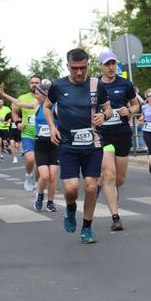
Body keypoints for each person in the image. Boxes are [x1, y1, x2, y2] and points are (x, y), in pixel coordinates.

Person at [44, 48, 113, 244]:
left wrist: (103, 115)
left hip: (93, 144)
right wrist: (52, 127)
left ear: (88, 65)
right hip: (67, 144)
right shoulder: (58, 86)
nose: (80, 73)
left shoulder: (96, 85)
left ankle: (87, 228)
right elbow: (47, 107)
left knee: (91, 187)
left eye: (83, 68)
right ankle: (71, 208)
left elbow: (108, 109)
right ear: (68, 66)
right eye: (75, 69)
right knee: (71, 189)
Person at [97, 51, 141, 232]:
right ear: (100, 66)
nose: (111, 67)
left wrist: (129, 111)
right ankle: (115, 217)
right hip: (103, 135)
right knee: (109, 175)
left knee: (119, 179)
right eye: (107, 64)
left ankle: (110, 189)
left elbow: (136, 104)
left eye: (113, 63)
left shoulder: (125, 83)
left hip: (122, 134)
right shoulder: (95, 85)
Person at [0, 81, 58, 212]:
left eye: (38, 93)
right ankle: (40, 195)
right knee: (44, 176)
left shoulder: (56, 107)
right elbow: (18, 103)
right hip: (41, 145)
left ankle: (50, 202)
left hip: (54, 145)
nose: (35, 95)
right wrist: (4, 95)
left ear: (44, 94)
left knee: (53, 176)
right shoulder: (36, 106)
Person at [13, 75, 42, 192]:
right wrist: (17, 122)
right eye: (32, 83)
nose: (34, 84)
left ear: (41, 84)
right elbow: (14, 111)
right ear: (29, 84)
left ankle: (37, 183)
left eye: (37, 82)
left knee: (40, 164)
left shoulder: (45, 98)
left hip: (42, 135)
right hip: (27, 134)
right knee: (30, 159)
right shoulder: (23, 97)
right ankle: (29, 175)